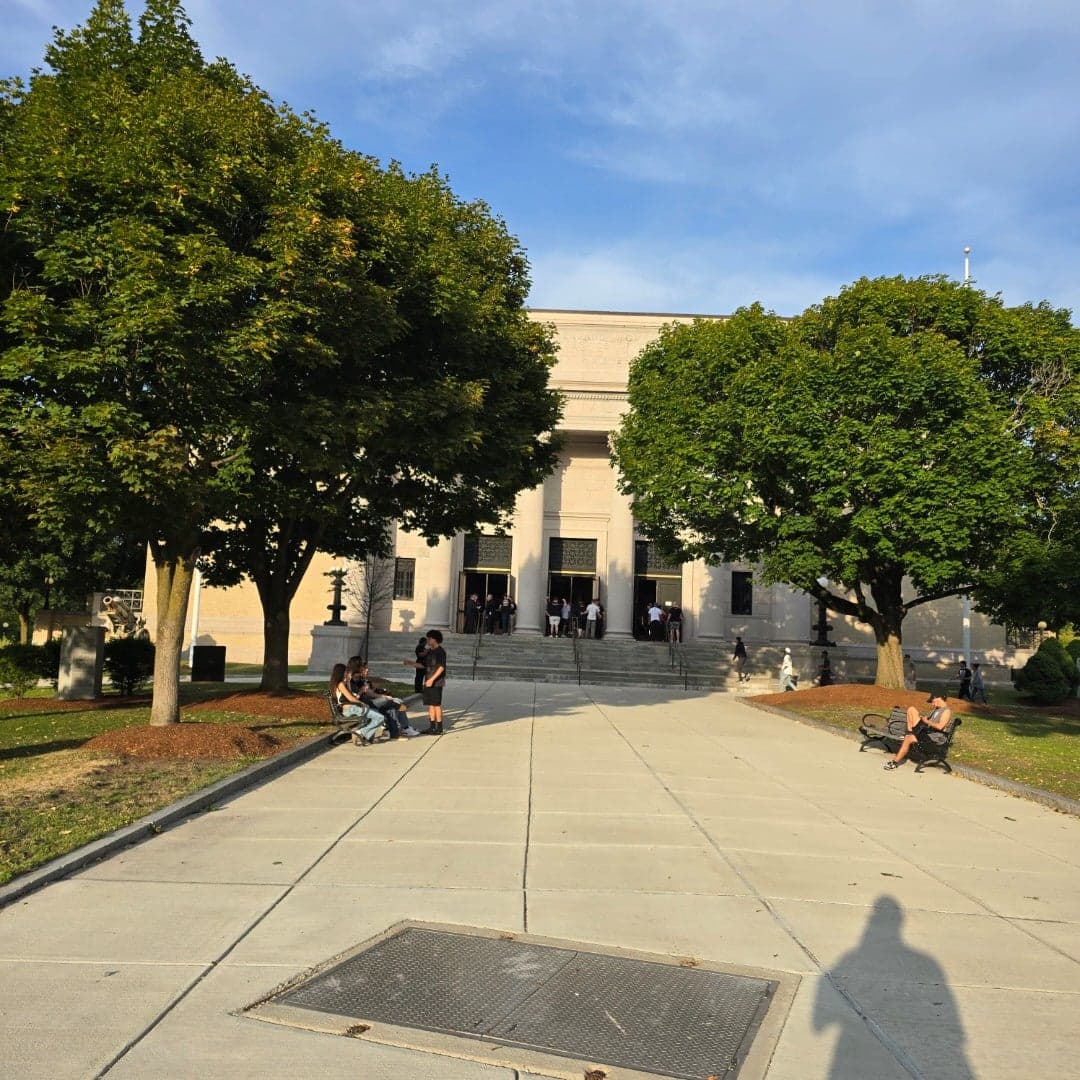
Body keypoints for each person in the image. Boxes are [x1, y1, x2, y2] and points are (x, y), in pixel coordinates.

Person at [884, 692, 952, 770]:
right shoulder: (936, 709)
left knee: (908, 738)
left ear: (938, 698)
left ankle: (894, 762)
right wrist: (924, 720)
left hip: (933, 739)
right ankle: (909, 733)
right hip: (926, 732)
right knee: (911, 709)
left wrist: (926, 721)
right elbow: (929, 723)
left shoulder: (946, 711)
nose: (932, 704)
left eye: (932, 701)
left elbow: (940, 727)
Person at [330, 662, 385, 746]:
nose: (347, 674)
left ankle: (361, 733)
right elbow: (351, 698)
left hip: (353, 708)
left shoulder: (344, 683)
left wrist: (348, 682)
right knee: (380, 717)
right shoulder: (340, 684)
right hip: (350, 709)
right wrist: (362, 704)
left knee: (377, 714)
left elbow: (352, 696)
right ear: (340, 673)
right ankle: (361, 732)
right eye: (345, 672)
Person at [405, 628, 447, 734]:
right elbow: (423, 665)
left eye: (430, 639)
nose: (428, 641)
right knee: (430, 705)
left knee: (436, 705)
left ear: (435, 639)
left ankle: (439, 728)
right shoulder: (429, 652)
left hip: (436, 683)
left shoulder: (440, 652)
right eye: (427, 638)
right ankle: (432, 726)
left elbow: (441, 667)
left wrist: (432, 680)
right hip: (428, 681)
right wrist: (411, 663)